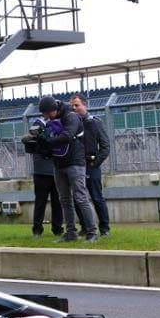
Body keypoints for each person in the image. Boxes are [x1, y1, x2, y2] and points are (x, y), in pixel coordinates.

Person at [25, 95, 99, 243]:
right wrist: (39, 142)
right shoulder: (49, 120)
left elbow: (67, 135)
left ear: (54, 109)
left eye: (48, 113)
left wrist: (49, 141)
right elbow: (31, 136)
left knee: (80, 197)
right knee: (64, 200)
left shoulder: (71, 116)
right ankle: (71, 232)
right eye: (44, 114)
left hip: (75, 162)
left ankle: (92, 232)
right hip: (59, 163)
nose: (47, 117)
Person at [70, 94, 112, 236]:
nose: (74, 108)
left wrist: (95, 162)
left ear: (84, 105)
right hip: (75, 166)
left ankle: (104, 228)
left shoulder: (94, 122)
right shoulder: (71, 124)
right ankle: (85, 227)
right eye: (72, 106)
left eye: (77, 105)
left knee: (96, 197)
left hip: (91, 165)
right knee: (77, 199)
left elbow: (105, 146)